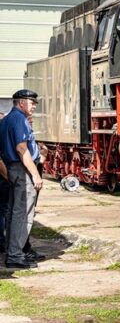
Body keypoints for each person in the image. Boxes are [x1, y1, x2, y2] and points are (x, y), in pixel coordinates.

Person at [0, 89, 43, 268]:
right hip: (21, 167)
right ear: (21, 102)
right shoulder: (19, 119)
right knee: (23, 213)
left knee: (13, 212)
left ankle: (13, 252)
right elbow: (22, 149)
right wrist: (35, 174)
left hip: (12, 167)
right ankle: (15, 255)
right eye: (31, 103)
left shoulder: (8, 119)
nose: (33, 106)